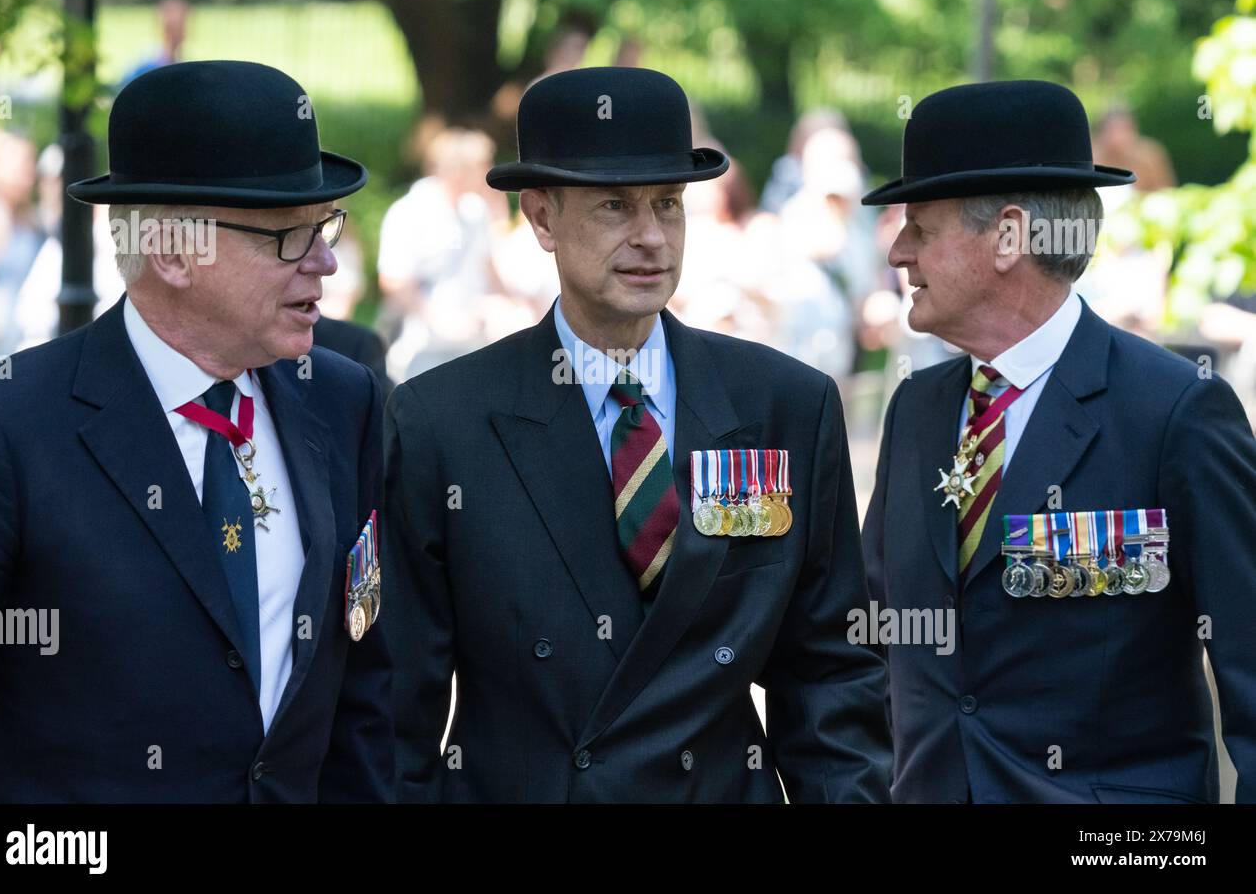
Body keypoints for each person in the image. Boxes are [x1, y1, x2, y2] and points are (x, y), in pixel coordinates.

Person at [386, 66, 892, 803]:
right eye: (614, 206)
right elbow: (400, 713)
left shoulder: (786, 405)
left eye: (668, 203)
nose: (651, 236)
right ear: (541, 217)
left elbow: (831, 673)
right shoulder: (442, 422)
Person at [0, 60, 394, 802]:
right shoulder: (2, 430)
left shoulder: (342, 400)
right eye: (288, 235)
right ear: (171, 250)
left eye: (323, 227)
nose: (323, 261)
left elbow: (362, 690)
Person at [861, 79, 1256, 803]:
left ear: (1009, 236)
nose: (897, 251)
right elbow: (867, 647)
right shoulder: (917, 411)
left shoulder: (1175, 413)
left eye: (919, 224)